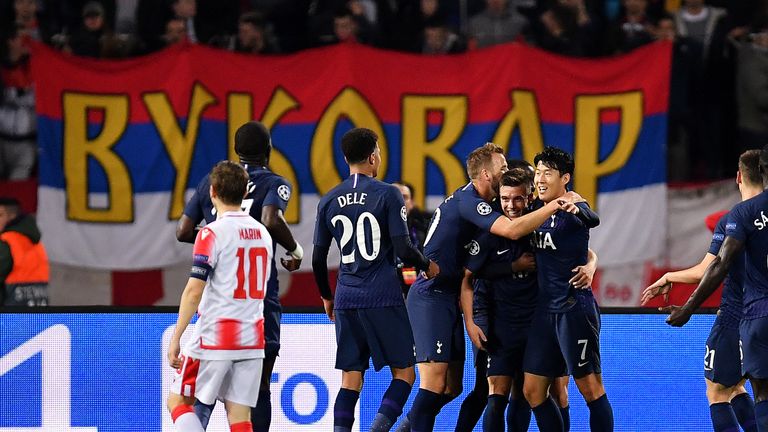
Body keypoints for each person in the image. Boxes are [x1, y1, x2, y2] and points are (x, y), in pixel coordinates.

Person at [399, 143, 578, 432]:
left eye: (518, 196)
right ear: (486, 174)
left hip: (463, 299)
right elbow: (508, 232)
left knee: (452, 388)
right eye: (502, 168)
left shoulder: (495, 205)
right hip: (434, 295)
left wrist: (590, 262)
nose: (507, 172)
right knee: (444, 385)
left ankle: (405, 426)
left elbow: (574, 247)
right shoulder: (472, 202)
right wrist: (474, 319)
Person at [177, 121, 302, 431]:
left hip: (216, 315)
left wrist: (216, 238)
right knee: (254, 397)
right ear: (269, 151)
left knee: (195, 398)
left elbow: (182, 231)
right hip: (258, 311)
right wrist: (296, 251)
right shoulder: (270, 196)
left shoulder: (213, 183)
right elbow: (271, 219)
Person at [312, 127, 439, 432]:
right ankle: (378, 429)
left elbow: (317, 259)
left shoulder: (328, 200)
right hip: (382, 295)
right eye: (379, 151)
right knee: (405, 374)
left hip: (346, 298)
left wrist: (327, 296)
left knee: (350, 379)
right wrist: (426, 265)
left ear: (345, 158)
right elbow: (403, 247)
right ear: (372, 157)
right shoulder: (388, 193)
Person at [642, 149, 762, 432]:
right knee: (737, 387)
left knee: (717, 391)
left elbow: (709, 269)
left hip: (735, 317)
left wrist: (674, 285)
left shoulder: (734, 218)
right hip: (763, 319)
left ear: (738, 177)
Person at [167, 160, 273, 432]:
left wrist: (177, 336)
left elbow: (194, 289)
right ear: (245, 193)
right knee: (240, 417)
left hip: (216, 336)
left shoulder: (211, 232)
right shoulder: (263, 233)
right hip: (252, 337)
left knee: (177, 400)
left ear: (212, 192)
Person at [522, 146, 612, 432]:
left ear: (565, 178)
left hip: (574, 308)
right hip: (543, 312)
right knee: (533, 391)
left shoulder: (574, 206)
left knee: (589, 387)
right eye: (538, 172)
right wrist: (592, 261)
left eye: (548, 173)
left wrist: (579, 206)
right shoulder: (534, 209)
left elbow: (592, 219)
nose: (540, 179)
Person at [0, 197, 48, 306]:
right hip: (39, 313)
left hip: (10, 315)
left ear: (12, 217)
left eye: (0, 215)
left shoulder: (6, 243)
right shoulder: (36, 244)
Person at [392, 181, 431, 293]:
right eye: (394, 197)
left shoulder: (425, 228)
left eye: (404, 197)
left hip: (418, 290)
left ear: (412, 203)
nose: (399, 201)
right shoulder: (373, 229)